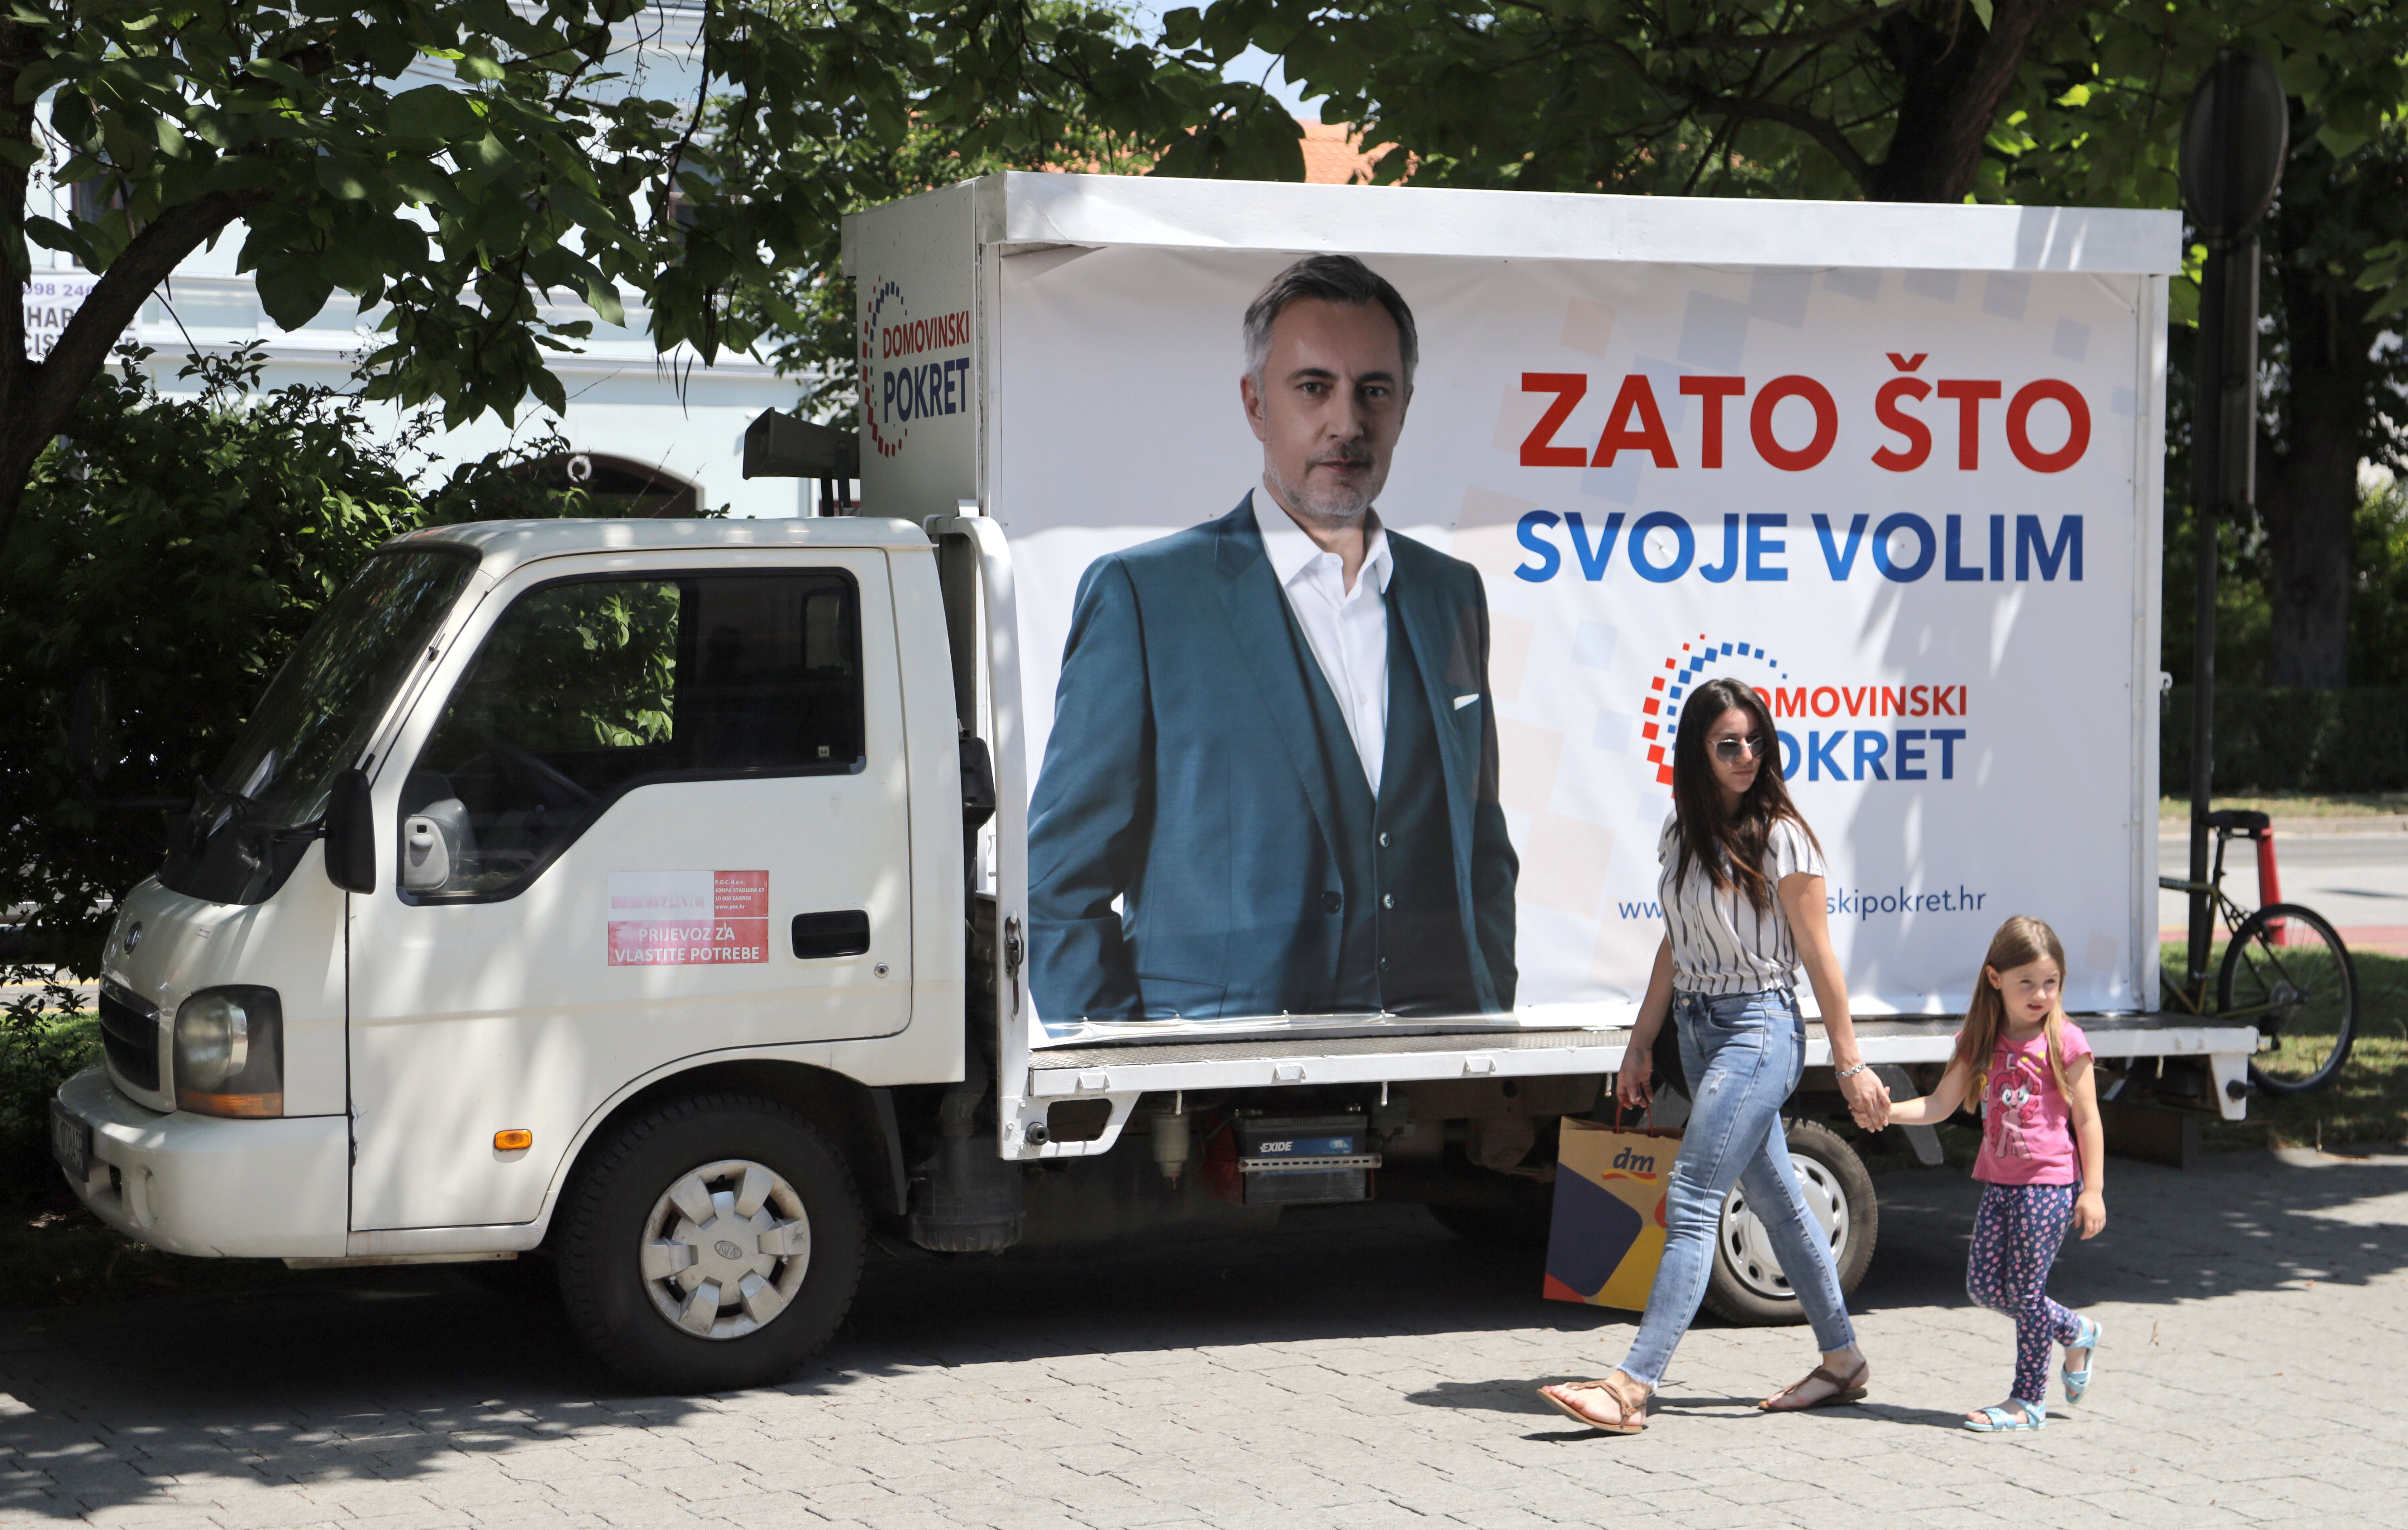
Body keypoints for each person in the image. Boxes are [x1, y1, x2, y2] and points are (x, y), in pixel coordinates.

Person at [1026, 254, 1517, 1024]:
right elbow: (1060, 884)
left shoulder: (1451, 596)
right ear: (1256, 405)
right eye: (1314, 387)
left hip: (1430, 1076)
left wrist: (1487, 1013)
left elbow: (1482, 843)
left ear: (1406, 406)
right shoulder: (1146, 598)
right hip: (1218, 1090)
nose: (1347, 423)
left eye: (1374, 391)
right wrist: (1124, 1070)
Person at [1538, 676, 1889, 1434]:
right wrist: (1640, 1042)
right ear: (1697, 752)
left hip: (1761, 1028)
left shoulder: (1784, 837)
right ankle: (1844, 1360)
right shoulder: (1682, 830)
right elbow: (1676, 940)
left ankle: (1632, 1385)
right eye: (1728, 743)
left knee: (1695, 1193)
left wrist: (1851, 1061)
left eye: (1756, 741)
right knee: (1780, 1203)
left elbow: (1821, 956)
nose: (1746, 755)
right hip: (1698, 1028)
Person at [1882, 915, 2107, 1432]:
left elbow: (2088, 1118)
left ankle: (2028, 1400)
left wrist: (2092, 1190)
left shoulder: (2066, 1040)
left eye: (2051, 982)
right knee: (1985, 1287)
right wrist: (1887, 1112)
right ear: (1995, 978)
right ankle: (2076, 1330)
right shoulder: (1979, 1039)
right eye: (2026, 981)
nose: (2040, 993)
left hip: (2049, 1182)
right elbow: (1940, 1103)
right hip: (2000, 1181)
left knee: (2026, 1292)